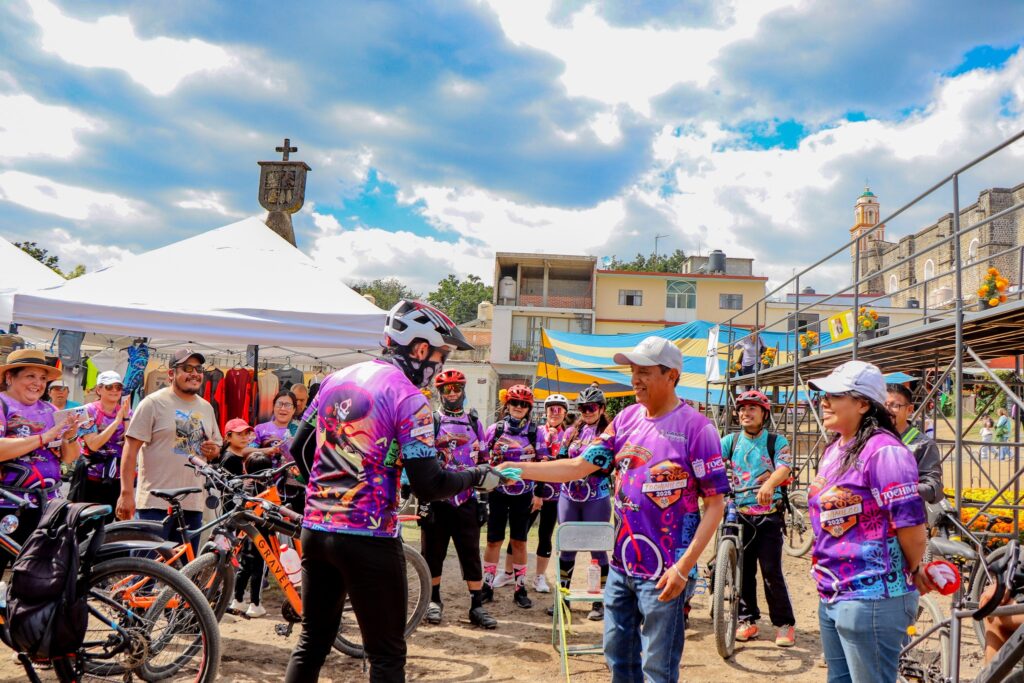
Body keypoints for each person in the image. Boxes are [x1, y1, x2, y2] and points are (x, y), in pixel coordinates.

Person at [283, 299, 510, 683]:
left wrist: (327, 494)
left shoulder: (335, 379)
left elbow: (298, 448)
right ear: (420, 350)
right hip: (368, 538)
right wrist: (477, 475)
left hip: (317, 530)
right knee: (386, 655)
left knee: (312, 642)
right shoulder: (409, 398)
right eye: (441, 356)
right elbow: (430, 485)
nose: (439, 367)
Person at [501, 336, 728, 682]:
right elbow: (579, 466)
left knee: (658, 669)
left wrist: (684, 568)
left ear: (672, 376)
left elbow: (714, 505)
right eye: (633, 370)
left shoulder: (698, 429)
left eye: (645, 371)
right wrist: (518, 468)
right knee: (617, 658)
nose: (634, 379)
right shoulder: (625, 420)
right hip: (621, 568)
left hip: (666, 574)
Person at [807, 360, 935, 683]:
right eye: (824, 395)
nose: (824, 402)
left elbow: (910, 524)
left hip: (873, 599)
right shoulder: (834, 449)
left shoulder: (884, 452)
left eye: (835, 395)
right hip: (833, 594)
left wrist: (918, 567)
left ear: (864, 404)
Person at [116, 348, 222, 555]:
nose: (194, 373)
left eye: (198, 368)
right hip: (155, 503)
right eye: (187, 368)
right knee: (144, 575)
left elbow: (215, 448)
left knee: (181, 575)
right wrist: (126, 493)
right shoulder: (152, 403)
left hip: (192, 504)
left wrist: (212, 450)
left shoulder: (206, 407)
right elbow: (130, 449)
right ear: (171, 374)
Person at [420, 369, 497, 629]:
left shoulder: (475, 422)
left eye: (456, 389)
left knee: (470, 554)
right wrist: (422, 498)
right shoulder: (432, 420)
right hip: (437, 500)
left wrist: (484, 501)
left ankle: (477, 605)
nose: (452, 393)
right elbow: (421, 459)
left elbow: (484, 463)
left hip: (467, 499)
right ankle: (433, 600)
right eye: (446, 389)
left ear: (463, 391)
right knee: (433, 553)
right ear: (440, 393)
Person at [721, 389, 796, 647]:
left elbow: (784, 467)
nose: (745, 412)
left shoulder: (776, 441)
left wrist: (769, 485)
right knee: (743, 571)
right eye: (742, 408)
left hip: (768, 516)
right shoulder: (729, 441)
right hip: (739, 514)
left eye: (752, 408)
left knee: (770, 570)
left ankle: (784, 624)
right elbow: (713, 464)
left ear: (764, 414)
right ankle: (747, 620)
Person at [0, 349, 82, 574]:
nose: (37, 383)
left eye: (42, 378)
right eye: (30, 376)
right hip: (7, 505)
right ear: (10, 377)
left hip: (47, 507)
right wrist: (43, 437)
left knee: (37, 578)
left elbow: (69, 457)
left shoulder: (50, 410)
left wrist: (70, 436)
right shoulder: (2, 404)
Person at [481, 384, 548, 610]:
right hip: (498, 494)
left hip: (524, 494)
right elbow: (483, 458)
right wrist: (486, 485)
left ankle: (520, 588)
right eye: (514, 403)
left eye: (524, 404)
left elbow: (543, 464)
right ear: (507, 404)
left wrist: (539, 494)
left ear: (529, 408)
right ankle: (487, 586)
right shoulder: (495, 429)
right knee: (493, 540)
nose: (519, 407)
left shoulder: (536, 432)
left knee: (519, 541)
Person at [496, 393, 568, 595]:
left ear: (565, 413)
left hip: (554, 493)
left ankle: (540, 576)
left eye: (559, 410)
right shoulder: (535, 431)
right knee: (520, 533)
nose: (555, 413)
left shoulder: (569, 434)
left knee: (545, 534)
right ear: (545, 412)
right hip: (531, 491)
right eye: (551, 409)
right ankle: (509, 572)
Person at [553, 385, 612, 621]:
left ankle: (600, 601)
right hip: (569, 495)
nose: (587, 412)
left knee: (597, 547)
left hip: (596, 496)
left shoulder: (608, 433)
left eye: (592, 408)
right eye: (582, 408)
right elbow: (560, 458)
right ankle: (563, 598)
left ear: (601, 408)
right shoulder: (570, 433)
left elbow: (612, 465)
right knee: (567, 545)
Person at [77, 371, 131, 516]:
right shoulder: (86, 411)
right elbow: (93, 444)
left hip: (117, 476)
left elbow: (130, 444)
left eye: (118, 387)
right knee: (87, 523)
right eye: (109, 387)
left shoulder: (127, 412)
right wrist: (117, 421)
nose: (114, 390)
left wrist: (125, 420)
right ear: (99, 389)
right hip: (91, 477)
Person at [228, 451, 274, 619]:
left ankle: (238, 600)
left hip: (244, 534)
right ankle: (255, 604)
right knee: (259, 571)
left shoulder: (244, 486)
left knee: (243, 567)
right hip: (261, 536)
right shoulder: (266, 490)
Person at [886, 384, 943, 504]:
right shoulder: (870, 439)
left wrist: (897, 490)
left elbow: (933, 489)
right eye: (884, 405)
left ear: (910, 410)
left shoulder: (923, 444)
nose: (887, 410)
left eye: (894, 405)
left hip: (907, 518)